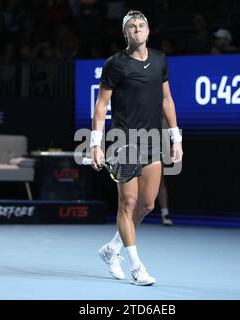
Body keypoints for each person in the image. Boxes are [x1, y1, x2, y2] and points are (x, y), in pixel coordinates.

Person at [90, 10, 183, 286]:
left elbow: (167, 100)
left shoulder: (160, 60)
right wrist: (96, 144)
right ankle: (137, 267)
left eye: (141, 25)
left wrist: (176, 138)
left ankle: (111, 250)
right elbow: (101, 106)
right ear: (125, 33)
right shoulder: (114, 65)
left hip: (154, 140)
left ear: (148, 30)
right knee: (127, 203)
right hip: (123, 141)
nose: (137, 30)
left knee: (147, 204)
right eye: (132, 26)